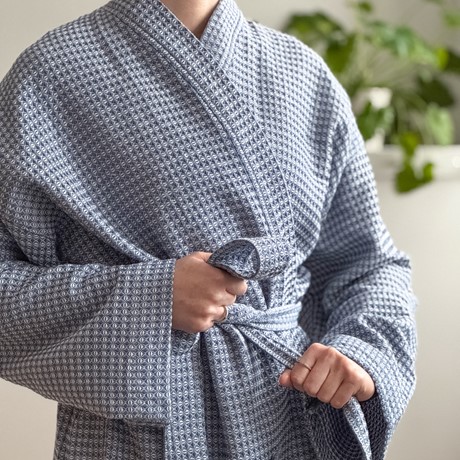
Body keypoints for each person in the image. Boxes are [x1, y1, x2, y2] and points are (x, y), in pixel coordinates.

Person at [0, 0, 417, 459]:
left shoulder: (303, 74)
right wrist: (148, 298)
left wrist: (359, 351)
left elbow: (368, 264)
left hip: (289, 413)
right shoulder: (49, 74)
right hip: (137, 439)